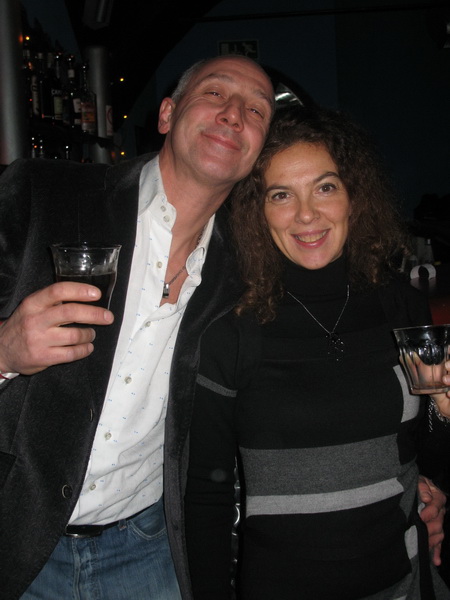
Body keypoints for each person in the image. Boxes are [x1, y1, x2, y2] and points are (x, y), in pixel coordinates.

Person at [0, 54, 275, 600]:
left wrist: (416, 483)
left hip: (146, 550)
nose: (234, 114)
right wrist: (4, 351)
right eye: (215, 93)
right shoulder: (42, 192)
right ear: (167, 114)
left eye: (256, 111)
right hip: (12, 530)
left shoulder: (248, 271)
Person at [184, 105, 450, 599]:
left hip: (405, 583)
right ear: (257, 210)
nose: (306, 215)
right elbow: (204, 492)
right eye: (281, 195)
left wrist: (444, 419)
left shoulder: (401, 306)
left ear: (354, 197)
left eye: (325, 188)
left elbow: (425, 453)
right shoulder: (231, 327)